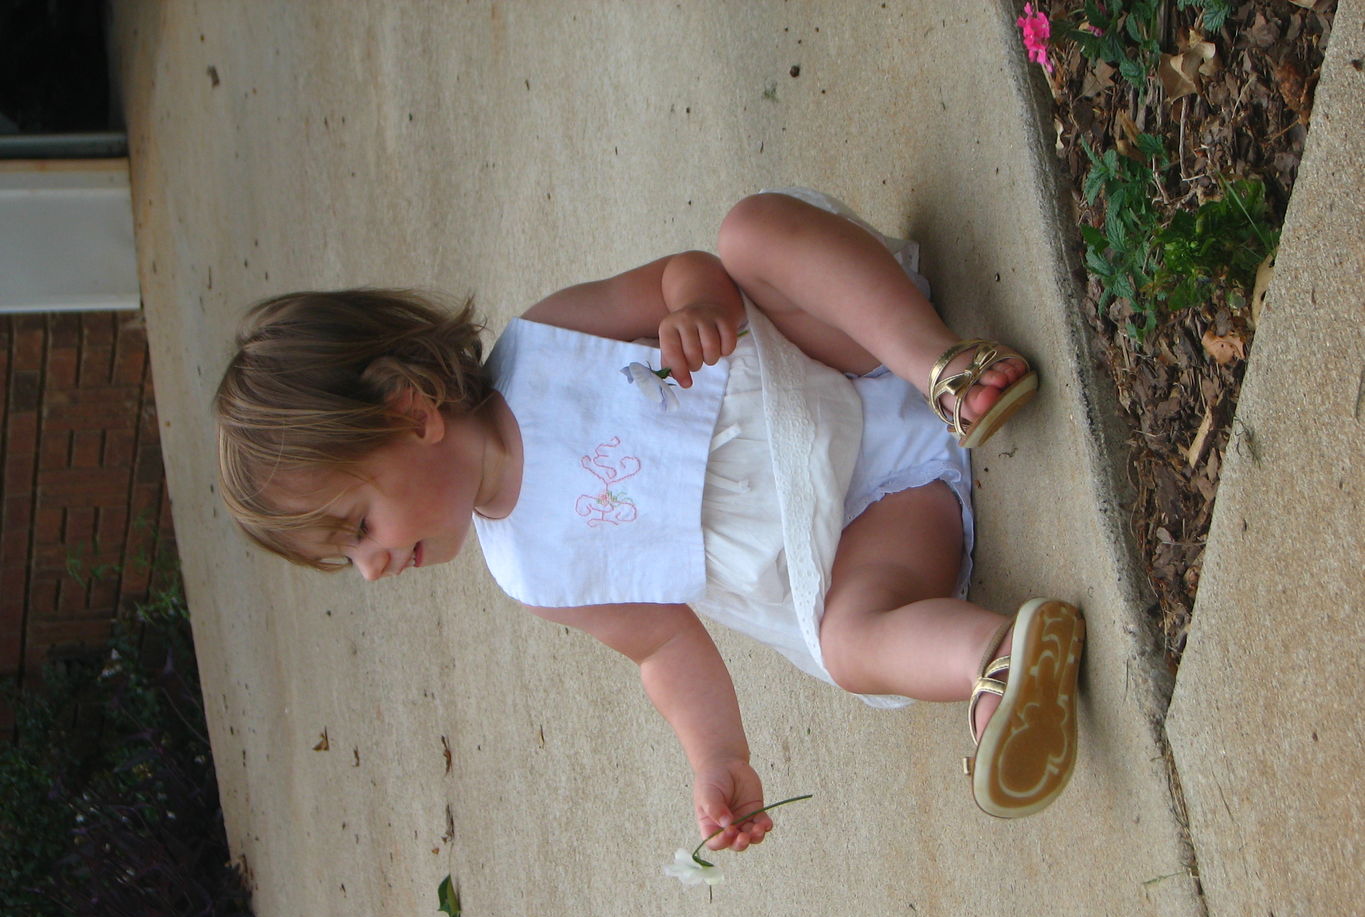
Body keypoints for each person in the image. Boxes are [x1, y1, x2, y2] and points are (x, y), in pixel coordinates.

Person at [214, 188, 1085, 855]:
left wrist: (698, 304)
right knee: (849, 645)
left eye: (356, 526)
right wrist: (716, 758)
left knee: (751, 232)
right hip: (873, 520)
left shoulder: (546, 344)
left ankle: (944, 365)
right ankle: (996, 662)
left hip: (837, 358)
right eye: (347, 559)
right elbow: (664, 646)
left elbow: (680, 273)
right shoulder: (533, 569)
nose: (370, 568)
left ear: (411, 415)